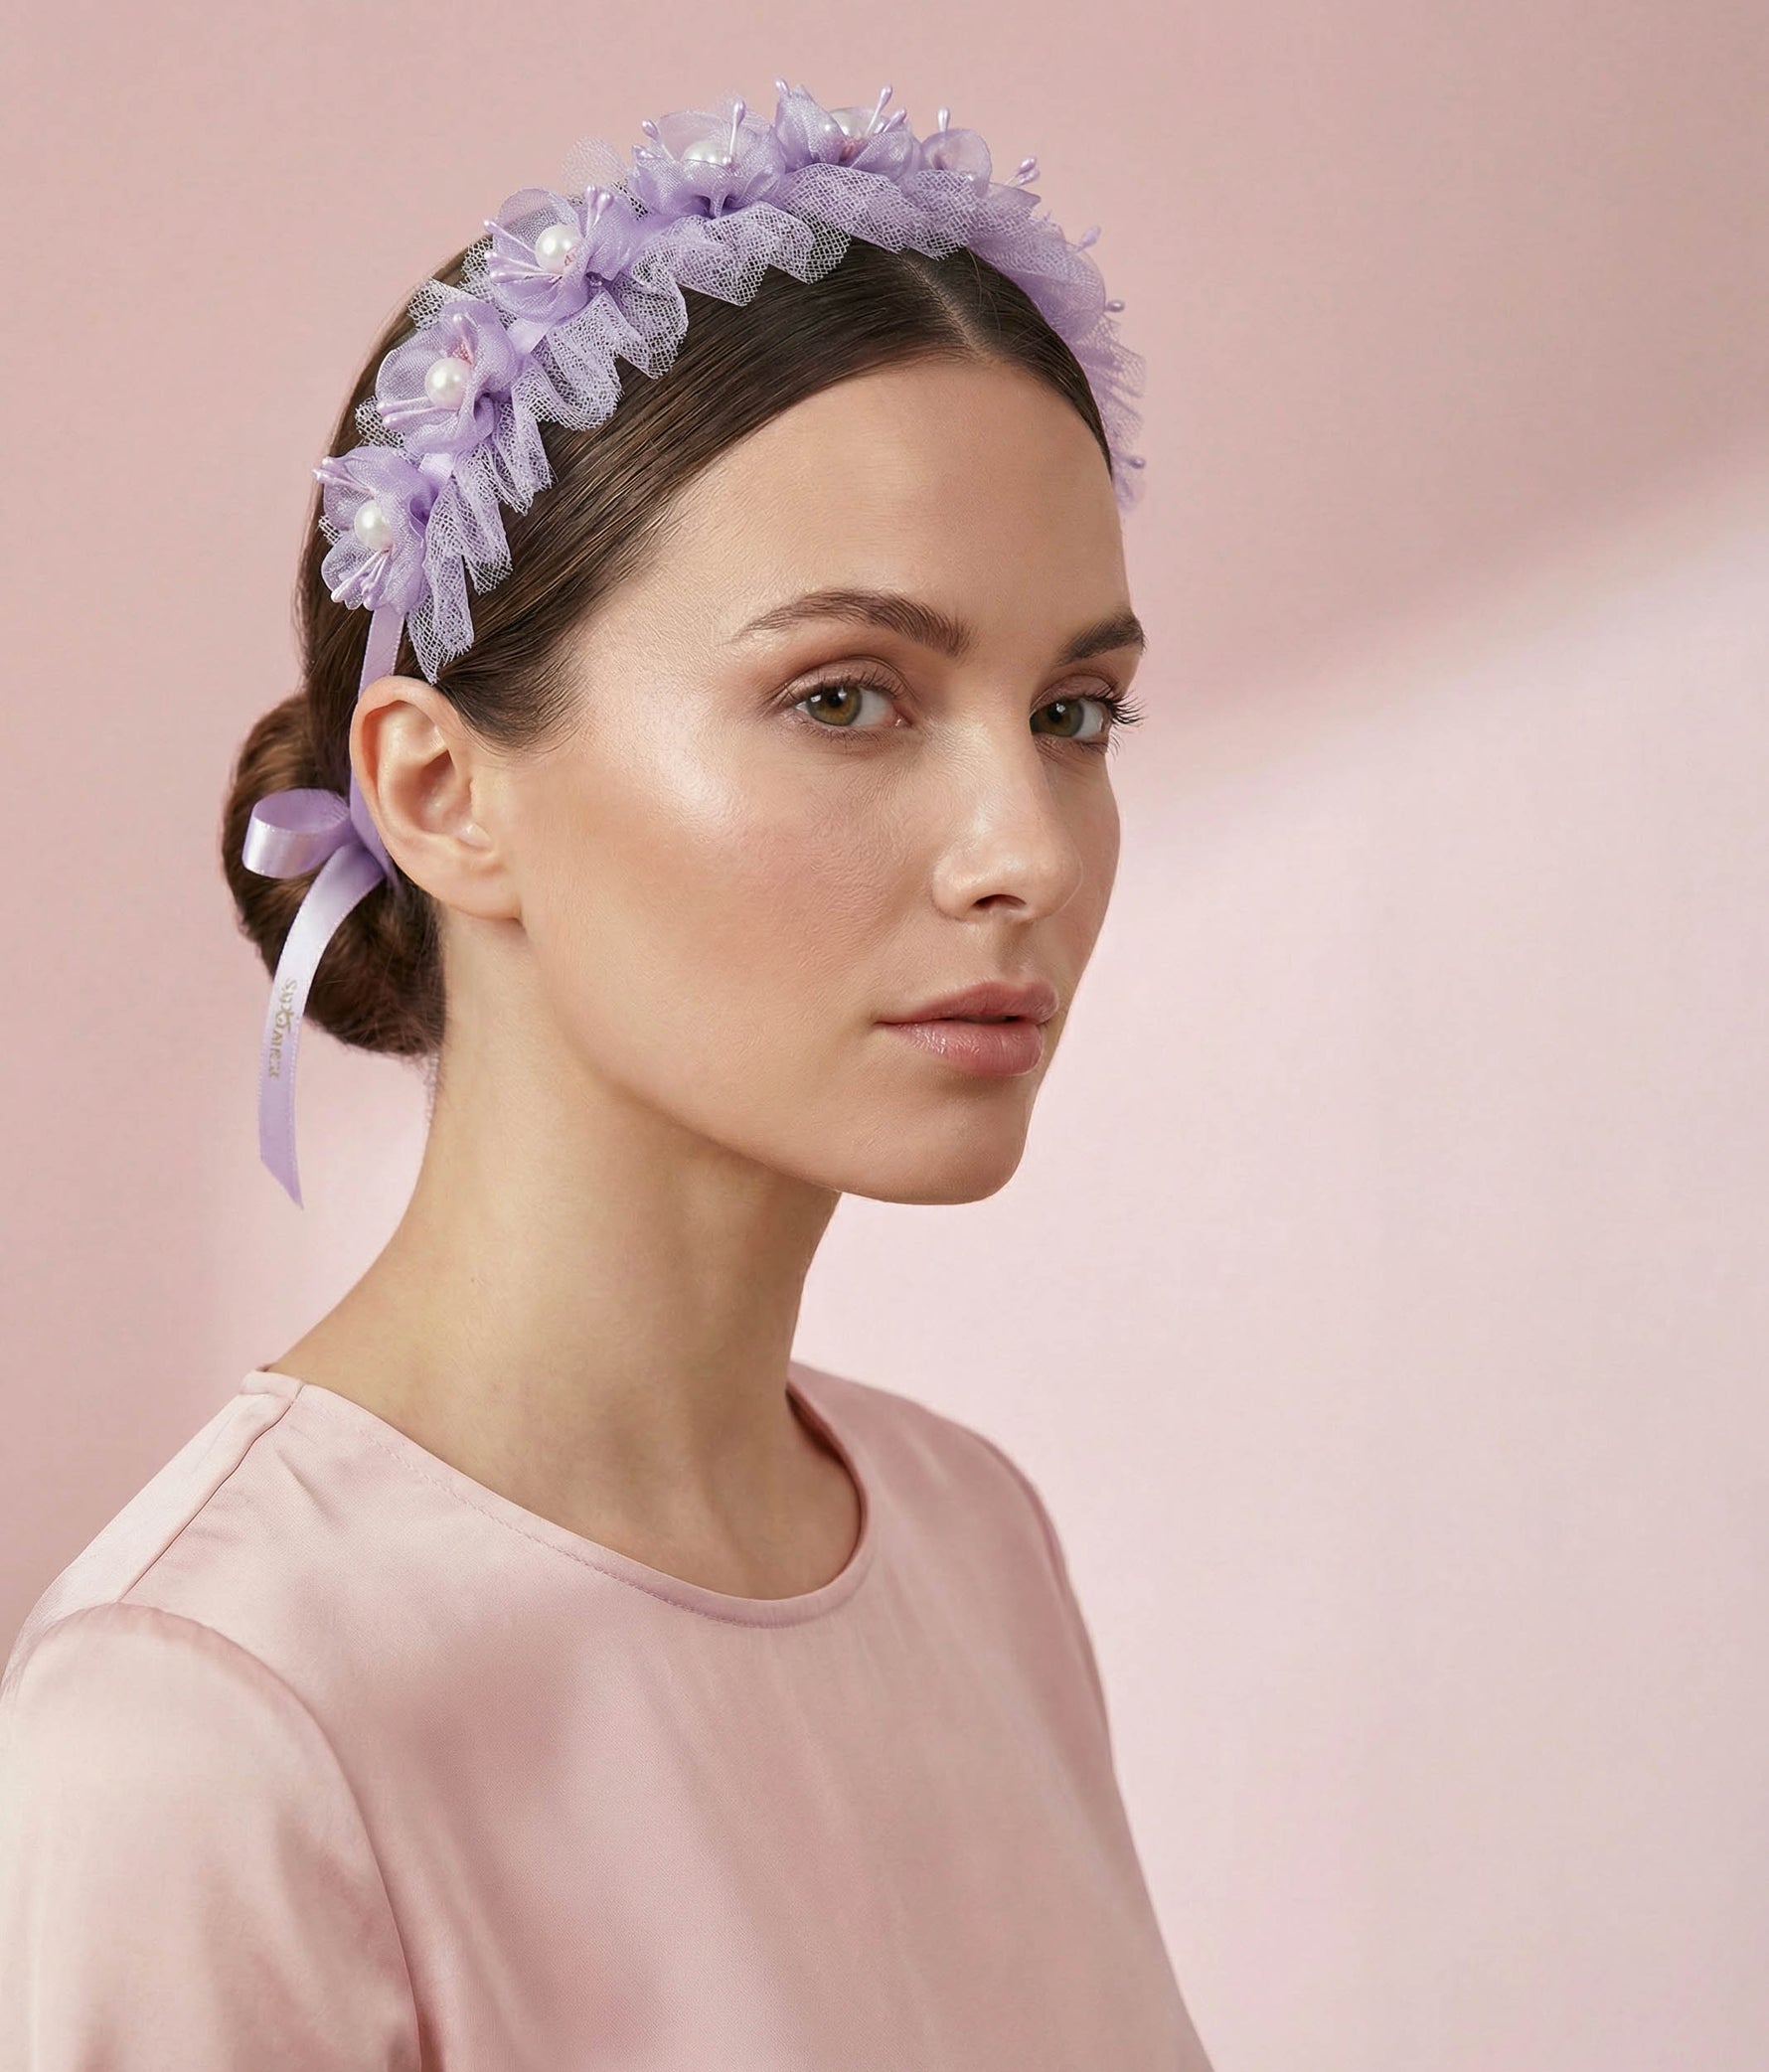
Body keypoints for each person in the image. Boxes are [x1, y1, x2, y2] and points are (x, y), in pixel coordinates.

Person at [0, 81, 1214, 2070]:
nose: (1023, 842)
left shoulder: (966, 1541)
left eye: (1072, 708)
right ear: (439, 787)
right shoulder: (211, 1721)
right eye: (845, 695)